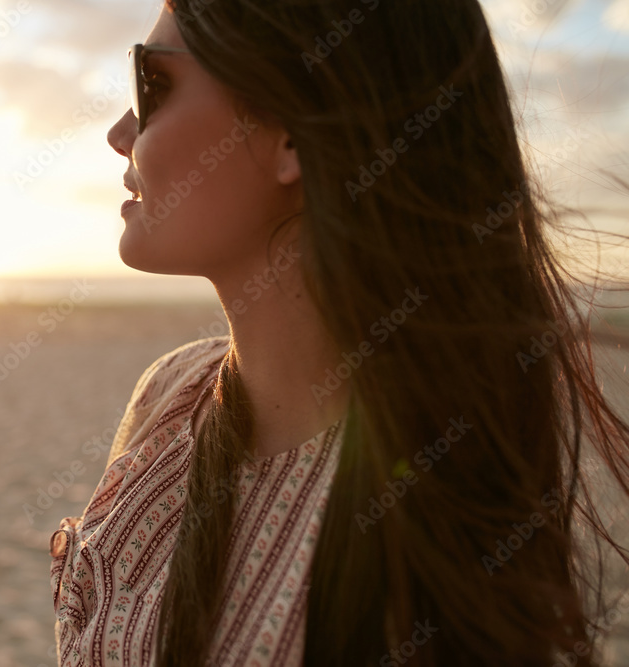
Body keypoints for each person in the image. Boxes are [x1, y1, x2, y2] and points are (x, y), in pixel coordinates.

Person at [49, 0, 629, 664]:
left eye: (150, 83)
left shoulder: (419, 516)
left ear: (292, 133)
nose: (121, 132)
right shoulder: (170, 397)